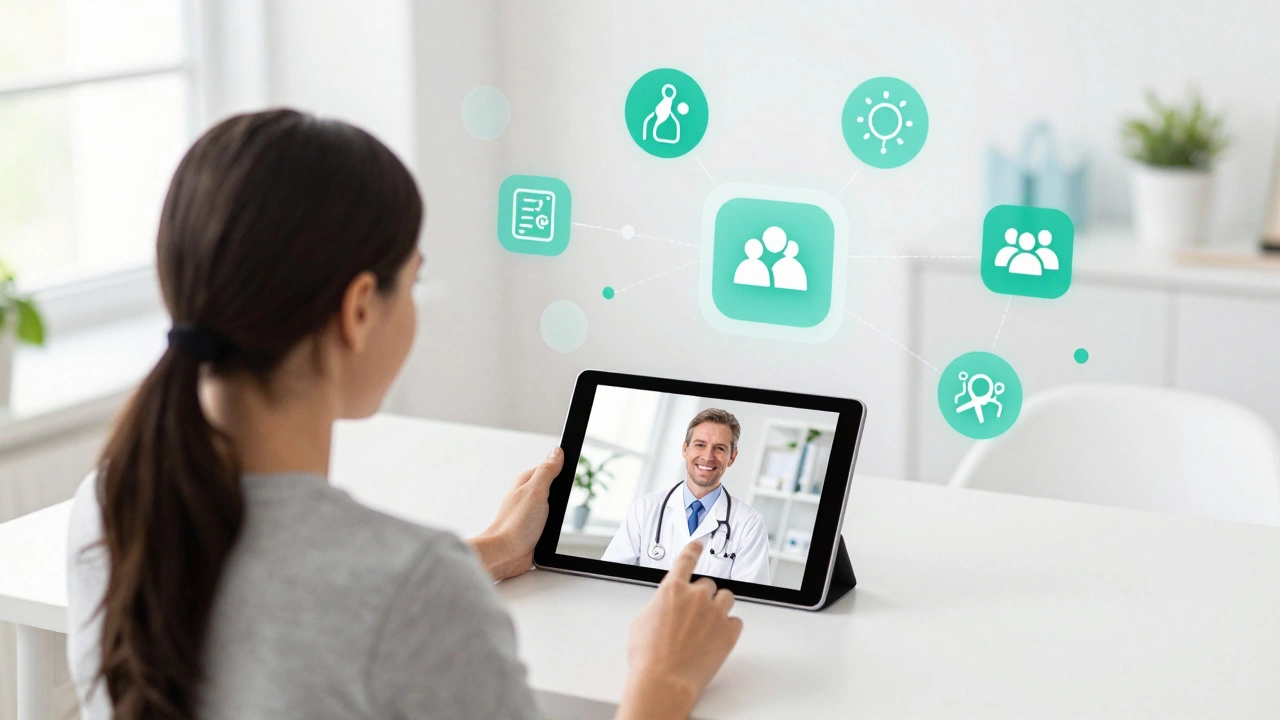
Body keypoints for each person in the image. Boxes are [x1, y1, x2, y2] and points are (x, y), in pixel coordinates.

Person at [65, 110, 742, 720]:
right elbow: (372, 597)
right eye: (412, 280)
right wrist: (664, 677)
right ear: (359, 309)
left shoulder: (112, 506)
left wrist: (496, 547)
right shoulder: (418, 587)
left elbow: (316, 601)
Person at [602, 409, 772, 584]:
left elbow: (750, 596)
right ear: (685, 449)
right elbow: (609, 578)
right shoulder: (645, 508)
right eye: (700, 445)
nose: (708, 456)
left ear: (732, 457)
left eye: (720, 448)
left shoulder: (749, 524)